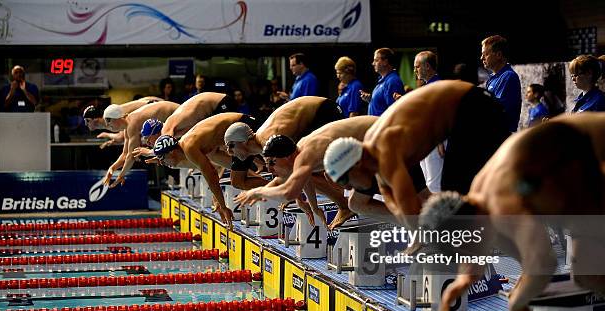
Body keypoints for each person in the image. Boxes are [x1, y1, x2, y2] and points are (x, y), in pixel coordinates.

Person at [418, 112, 605, 311]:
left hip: (600, 151)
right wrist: (467, 276)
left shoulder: (501, 200)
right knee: (589, 272)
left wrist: (517, 303)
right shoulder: (479, 198)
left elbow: (543, 263)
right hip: (584, 169)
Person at [323, 80, 511, 227]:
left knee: (454, 197)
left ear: (356, 164)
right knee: (452, 200)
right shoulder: (374, 157)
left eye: (344, 181)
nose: (347, 188)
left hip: (475, 108)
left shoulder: (385, 153)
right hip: (464, 111)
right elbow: (393, 201)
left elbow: (409, 206)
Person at [234, 116, 378, 229]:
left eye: (272, 163)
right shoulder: (299, 152)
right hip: (372, 136)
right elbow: (304, 178)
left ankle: (399, 217)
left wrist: (257, 191)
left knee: (356, 202)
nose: (270, 169)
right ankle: (397, 215)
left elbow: (288, 192)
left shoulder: (304, 155)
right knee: (337, 182)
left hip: (380, 134)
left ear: (286, 156)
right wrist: (313, 207)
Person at [149, 112, 268, 228]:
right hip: (238, 132)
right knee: (238, 178)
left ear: (171, 152)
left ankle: (276, 188)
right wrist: (217, 199)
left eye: (163, 160)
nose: (164, 163)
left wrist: (223, 206)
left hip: (241, 130)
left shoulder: (190, 148)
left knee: (238, 181)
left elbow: (212, 177)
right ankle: (273, 186)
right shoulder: (197, 147)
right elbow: (218, 171)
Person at [101, 101, 179, 187]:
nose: (107, 125)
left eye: (108, 121)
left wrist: (121, 175)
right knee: (167, 149)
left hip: (177, 113)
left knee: (169, 149)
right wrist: (112, 168)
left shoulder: (132, 124)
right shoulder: (128, 125)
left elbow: (131, 156)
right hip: (174, 115)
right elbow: (125, 154)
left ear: (117, 118)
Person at [413, 50, 444, 194]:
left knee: (434, 183)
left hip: (434, 141)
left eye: (417, 66)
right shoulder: (427, 86)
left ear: (427, 66)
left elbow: (439, 116)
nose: (415, 70)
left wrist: (439, 141)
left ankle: (438, 215)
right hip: (425, 141)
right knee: (427, 181)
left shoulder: (437, 86)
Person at [83, 96, 163, 148]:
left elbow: (121, 137)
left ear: (95, 119)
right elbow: (124, 135)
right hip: (150, 104)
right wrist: (113, 140)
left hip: (154, 105)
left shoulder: (108, 119)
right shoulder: (109, 118)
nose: (86, 124)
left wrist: (107, 135)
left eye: (87, 120)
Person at [481, 35, 522, 132]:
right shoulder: (492, 78)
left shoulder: (508, 76)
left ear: (498, 55)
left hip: (502, 136)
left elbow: (496, 111)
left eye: (485, 54)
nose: (481, 58)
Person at [360, 48, 404, 116]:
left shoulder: (392, 81)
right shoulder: (383, 80)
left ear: (385, 62)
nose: (373, 63)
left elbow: (393, 111)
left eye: (376, 60)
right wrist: (370, 100)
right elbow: (382, 105)